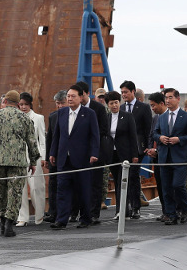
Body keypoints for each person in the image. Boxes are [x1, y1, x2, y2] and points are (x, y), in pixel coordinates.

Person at [0, 90, 40, 237]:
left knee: (1, 192)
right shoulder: (24, 118)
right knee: (15, 192)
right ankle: (9, 225)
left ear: (5, 101)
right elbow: (32, 142)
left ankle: (2, 219)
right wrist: (33, 161)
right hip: (17, 163)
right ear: (18, 104)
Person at [49, 85, 100, 230]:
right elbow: (56, 135)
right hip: (64, 158)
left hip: (82, 158)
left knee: (83, 190)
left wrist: (94, 153)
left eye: (73, 96)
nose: (70, 99)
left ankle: (85, 218)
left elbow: (94, 136)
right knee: (62, 190)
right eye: (68, 96)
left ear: (81, 97)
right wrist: (52, 153)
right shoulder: (62, 113)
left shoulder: (89, 113)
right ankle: (61, 220)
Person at [151, 88, 187, 225]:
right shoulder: (162, 117)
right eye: (166, 97)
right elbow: (155, 133)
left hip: (180, 157)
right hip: (164, 157)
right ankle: (171, 214)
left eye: (170, 97)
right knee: (166, 187)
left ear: (178, 99)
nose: (167, 100)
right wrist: (160, 138)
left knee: (178, 185)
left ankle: (184, 208)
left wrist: (179, 139)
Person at [75, 80, 109, 225]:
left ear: (87, 94)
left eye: (80, 95)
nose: (79, 99)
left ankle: (94, 213)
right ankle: (81, 212)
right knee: (80, 183)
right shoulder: (74, 109)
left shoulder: (98, 109)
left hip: (95, 151)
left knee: (95, 183)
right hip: (79, 153)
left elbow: (103, 130)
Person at [120, 81, 152, 219]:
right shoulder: (120, 108)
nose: (123, 95)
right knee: (122, 179)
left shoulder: (143, 108)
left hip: (138, 148)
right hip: (122, 149)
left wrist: (148, 147)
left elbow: (148, 129)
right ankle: (124, 207)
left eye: (126, 92)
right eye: (122, 92)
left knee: (133, 177)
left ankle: (135, 207)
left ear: (133, 92)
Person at [105, 91, 138, 220]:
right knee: (117, 182)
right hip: (111, 154)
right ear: (108, 105)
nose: (114, 105)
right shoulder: (107, 118)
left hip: (125, 154)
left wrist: (134, 154)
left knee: (122, 182)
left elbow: (133, 136)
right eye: (111, 103)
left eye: (116, 102)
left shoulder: (127, 116)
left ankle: (122, 210)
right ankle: (122, 210)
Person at [16, 92, 46, 226]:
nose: (23, 107)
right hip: (19, 157)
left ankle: (39, 216)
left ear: (30, 104)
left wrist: (43, 157)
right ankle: (23, 217)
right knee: (20, 188)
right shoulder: (15, 118)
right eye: (21, 104)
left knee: (36, 188)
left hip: (34, 156)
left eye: (26, 104)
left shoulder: (38, 118)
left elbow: (42, 139)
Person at [44, 90, 67, 223]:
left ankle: (68, 212)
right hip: (55, 156)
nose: (59, 106)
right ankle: (53, 212)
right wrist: (48, 157)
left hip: (68, 157)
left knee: (66, 185)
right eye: (57, 103)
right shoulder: (53, 116)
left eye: (62, 103)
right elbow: (50, 138)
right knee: (52, 185)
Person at [147, 92, 168, 221]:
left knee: (169, 185)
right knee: (160, 185)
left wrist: (157, 149)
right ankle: (165, 210)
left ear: (161, 103)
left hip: (167, 157)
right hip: (157, 158)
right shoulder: (155, 118)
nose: (152, 108)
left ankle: (173, 210)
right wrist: (151, 148)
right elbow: (151, 134)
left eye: (154, 105)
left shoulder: (170, 117)